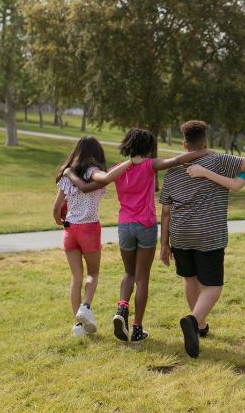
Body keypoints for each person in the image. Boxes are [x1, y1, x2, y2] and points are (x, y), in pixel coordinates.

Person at [159, 120, 245, 358]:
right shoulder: (220, 161)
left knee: (189, 278)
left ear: (184, 144)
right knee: (213, 286)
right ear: (205, 142)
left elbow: (165, 210)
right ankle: (194, 320)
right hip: (209, 234)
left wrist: (164, 243)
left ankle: (200, 327)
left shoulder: (173, 171)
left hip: (180, 235)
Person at [65, 129, 208, 343]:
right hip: (146, 226)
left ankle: (122, 308)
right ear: (148, 146)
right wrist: (203, 153)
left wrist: (69, 173)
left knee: (128, 273)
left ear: (127, 145)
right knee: (142, 279)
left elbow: (88, 186)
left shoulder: (118, 170)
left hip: (125, 226)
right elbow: (177, 160)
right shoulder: (150, 165)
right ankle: (137, 328)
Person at [52, 136, 112, 337]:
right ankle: (85, 307)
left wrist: (60, 221)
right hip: (89, 228)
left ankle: (78, 326)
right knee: (92, 274)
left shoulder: (67, 176)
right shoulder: (95, 173)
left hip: (70, 230)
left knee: (75, 278)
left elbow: (56, 207)